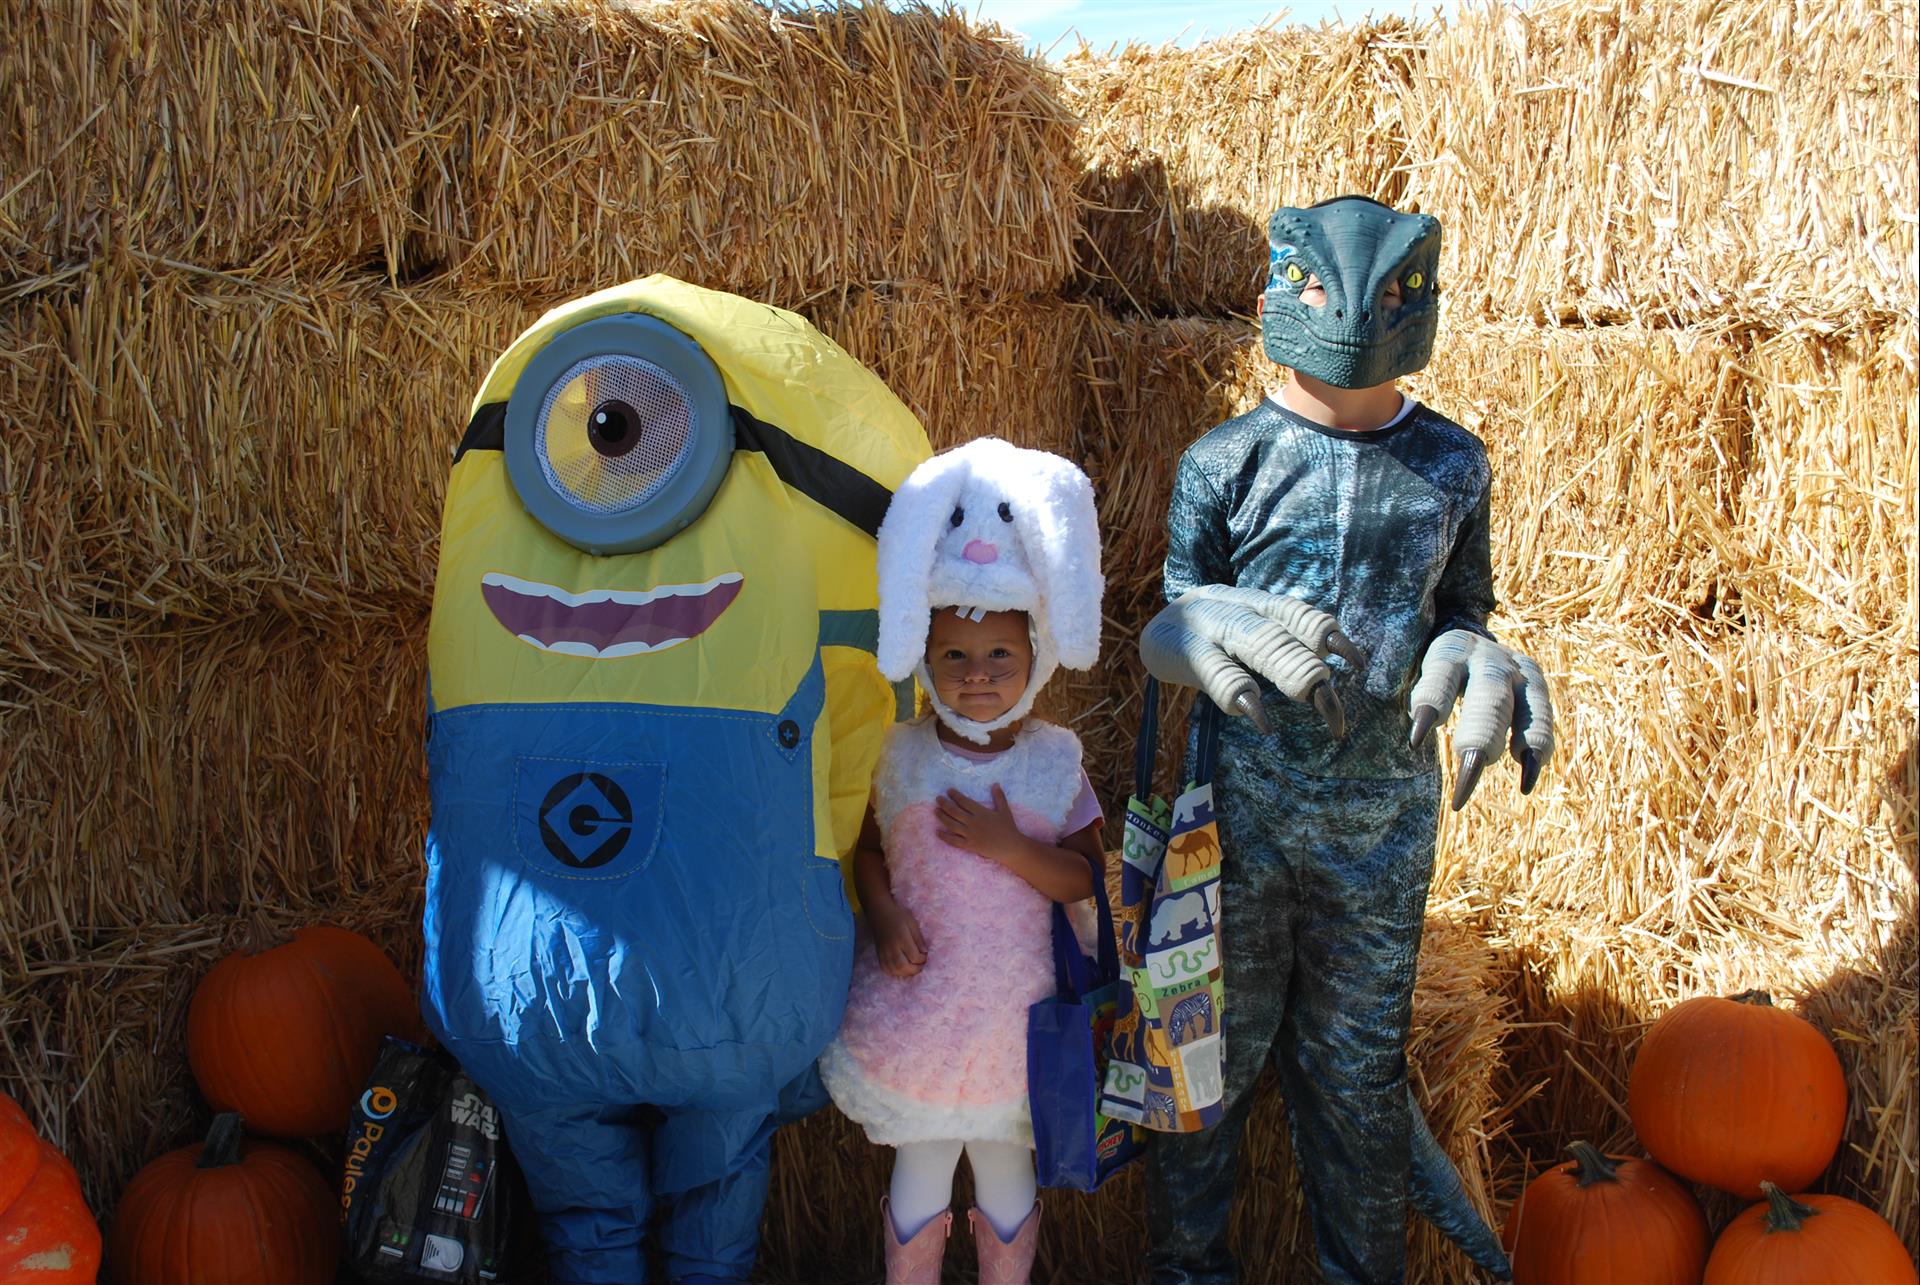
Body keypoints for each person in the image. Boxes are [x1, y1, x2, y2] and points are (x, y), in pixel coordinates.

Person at [1137, 196, 1555, 1285]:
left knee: (1358, 1079)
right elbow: (1182, 599)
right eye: (1322, 292)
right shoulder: (1222, 461)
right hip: (1240, 821)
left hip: (1384, 830)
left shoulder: (1455, 465)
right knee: (1205, 1060)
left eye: (1386, 296)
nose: (1352, 321)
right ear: (1283, 290)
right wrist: (1191, 622)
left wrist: (1480, 653)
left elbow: (1467, 604)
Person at [818, 437, 1107, 1285]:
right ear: (925, 654)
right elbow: (868, 849)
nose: (977, 675)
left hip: (1017, 1026)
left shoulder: (1055, 763)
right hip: (921, 1012)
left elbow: (1087, 879)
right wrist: (881, 908)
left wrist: (1013, 849)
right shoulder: (898, 754)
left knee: (1008, 1166)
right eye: (954, 656)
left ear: (1035, 658)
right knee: (922, 1160)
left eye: (1000, 658)